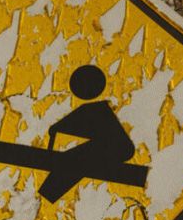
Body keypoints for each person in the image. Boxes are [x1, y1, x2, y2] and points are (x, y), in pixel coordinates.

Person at [39, 64, 136, 201]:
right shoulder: (94, 109)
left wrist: (54, 130)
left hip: (119, 149)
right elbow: (63, 125)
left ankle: (46, 194)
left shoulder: (97, 110)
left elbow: (66, 124)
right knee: (73, 159)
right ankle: (46, 195)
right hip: (115, 148)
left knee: (73, 160)